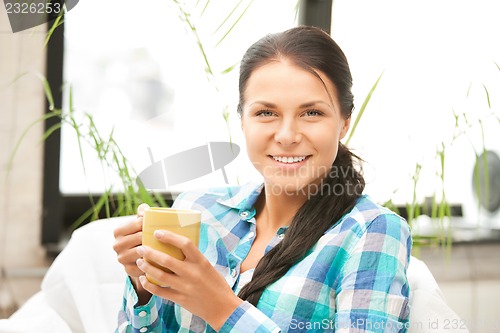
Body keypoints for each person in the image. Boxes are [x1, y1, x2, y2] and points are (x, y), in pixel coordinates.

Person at [113, 26, 412, 332]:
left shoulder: (370, 232)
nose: (286, 136)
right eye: (266, 113)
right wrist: (143, 285)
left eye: (311, 113)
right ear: (242, 120)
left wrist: (220, 308)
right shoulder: (196, 211)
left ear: (344, 121)